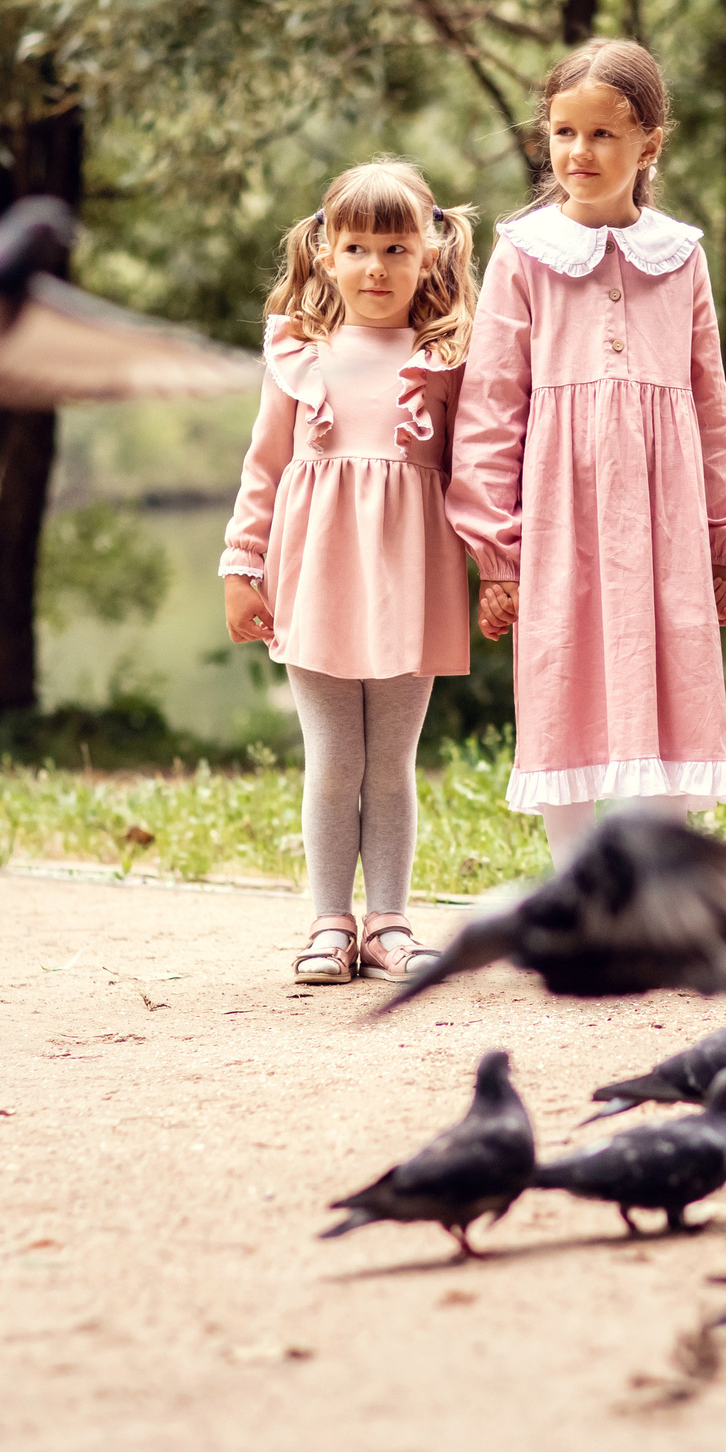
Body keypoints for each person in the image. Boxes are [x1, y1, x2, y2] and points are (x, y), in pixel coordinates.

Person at [446, 38, 726, 865]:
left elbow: (708, 402)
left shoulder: (679, 255)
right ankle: (577, 891)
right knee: (564, 673)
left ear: (649, 144)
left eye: (603, 135)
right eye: (563, 133)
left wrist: (724, 538)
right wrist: (497, 551)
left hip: (664, 514)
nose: (579, 152)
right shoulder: (523, 253)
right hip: (560, 513)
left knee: (671, 672)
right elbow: (489, 407)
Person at [222, 159, 477, 983]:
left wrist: (500, 564)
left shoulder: (446, 357)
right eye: (357, 246)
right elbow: (263, 467)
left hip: (412, 577)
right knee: (334, 758)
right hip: (317, 574)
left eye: (397, 248)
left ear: (430, 253)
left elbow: (476, 471)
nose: (377, 267)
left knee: (393, 759)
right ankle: (330, 921)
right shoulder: (300, 353)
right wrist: (240, 564)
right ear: (325, 252)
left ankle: (391, 922)